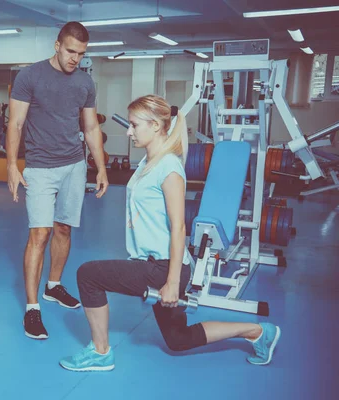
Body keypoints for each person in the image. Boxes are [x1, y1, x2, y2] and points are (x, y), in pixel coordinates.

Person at [59, 95, 281, 371]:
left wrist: (173, 282)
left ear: (154, 126)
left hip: (164, 267)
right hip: (151, 263)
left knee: (88, 275)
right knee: (178, 339)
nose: (128, 132)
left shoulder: (169, 167)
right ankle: (257, 332)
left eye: (133, 125)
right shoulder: (147, 162)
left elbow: (179, 227)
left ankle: (101, 352)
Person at [6, 21, 109, 340]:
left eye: (81, 53)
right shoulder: (29, 76)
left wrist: (101, 167)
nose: (75, 58)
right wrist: (11, 164)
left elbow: (91, 128)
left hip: (75, 166)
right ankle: (32, 309)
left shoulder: (85, 82)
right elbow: (16, 123)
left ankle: (53, 286)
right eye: (70, 51)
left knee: (64, 227)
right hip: (39, 167)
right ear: (56, 45)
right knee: (40, 234)